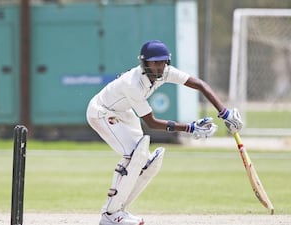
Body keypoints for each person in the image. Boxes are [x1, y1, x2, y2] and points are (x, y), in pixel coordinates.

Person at [86, 40, 244, 225]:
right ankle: (110, 215)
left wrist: (225, 113)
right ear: (145, 63)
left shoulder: (166, 72)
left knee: (148, 162)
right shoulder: (132, 84)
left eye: (162, 62)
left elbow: (200, 84)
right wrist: (190, 128)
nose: (160, 67)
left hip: (124, 111)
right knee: (133, 155)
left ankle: (118, 211)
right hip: (101, 112)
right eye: (155, 62)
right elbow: (152, 123)